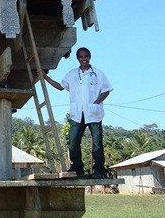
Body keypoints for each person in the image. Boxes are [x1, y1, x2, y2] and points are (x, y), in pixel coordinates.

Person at [41, 47, 112, 179]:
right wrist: (45, 77)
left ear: (89, 57)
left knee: (97, 142)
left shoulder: (98, 73)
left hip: (93, 113)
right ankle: (77, 167)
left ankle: (99, 170)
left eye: (86, 56)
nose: (83, 59)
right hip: (77, 114)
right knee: (73, 141)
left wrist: (96, 103)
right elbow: (60, 87)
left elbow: (106, 90)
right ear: (77, 59)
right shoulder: (72, 74)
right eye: (81, 57)